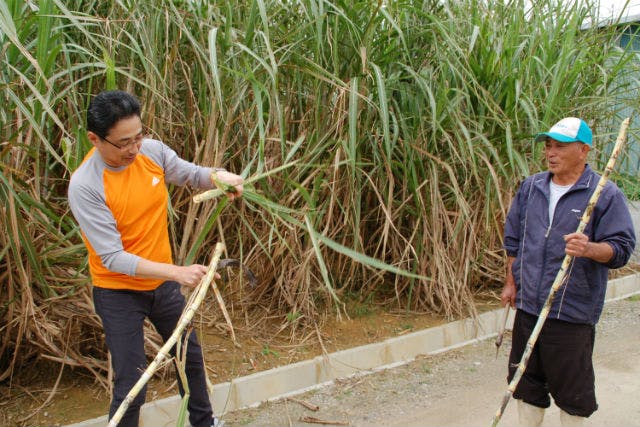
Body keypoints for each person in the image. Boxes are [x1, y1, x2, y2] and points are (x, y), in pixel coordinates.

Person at [68, 90, 243, 427]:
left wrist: (218, 176)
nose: (134, 148)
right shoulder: (85, 185)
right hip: (117, 292)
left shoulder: (151, 153)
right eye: (123, 143)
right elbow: (114, 258)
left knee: (188, 357)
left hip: (161, 284)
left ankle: (204, 423)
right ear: (94, 139)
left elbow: (190, 174)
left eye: (138, 136)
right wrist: (177, 272)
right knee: (132, 380)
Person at [500, 117, 636, 427]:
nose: (551, 153)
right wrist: (512, 282)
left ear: (584, 150)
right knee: (525, 382)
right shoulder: (531, 187)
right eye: (548, 146)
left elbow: (620, 250)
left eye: (560, 146)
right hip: (529, 307)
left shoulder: (604, 193)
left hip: (571, 312)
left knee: (573, 392)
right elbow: (514, 241)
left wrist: (589, 248)